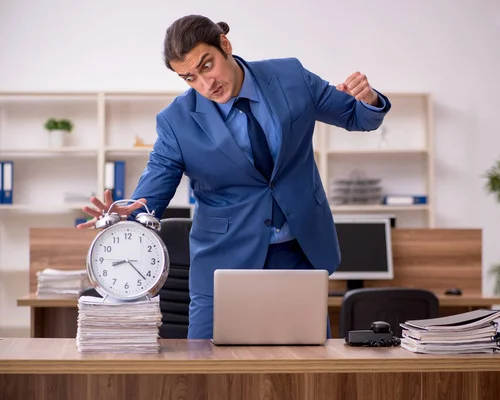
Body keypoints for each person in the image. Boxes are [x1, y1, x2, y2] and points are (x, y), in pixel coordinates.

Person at [77, 14, 391, 339]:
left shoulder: (290, 77)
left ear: (225, 45)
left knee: (305, 371)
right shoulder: (176, 122)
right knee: (208, 377)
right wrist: (132, 213)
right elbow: (153, 188)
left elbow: (358, 117)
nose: (205, 85)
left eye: (207, 65)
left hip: (299, 254)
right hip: (222, 265)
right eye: (189, 78)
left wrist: (367, 99)